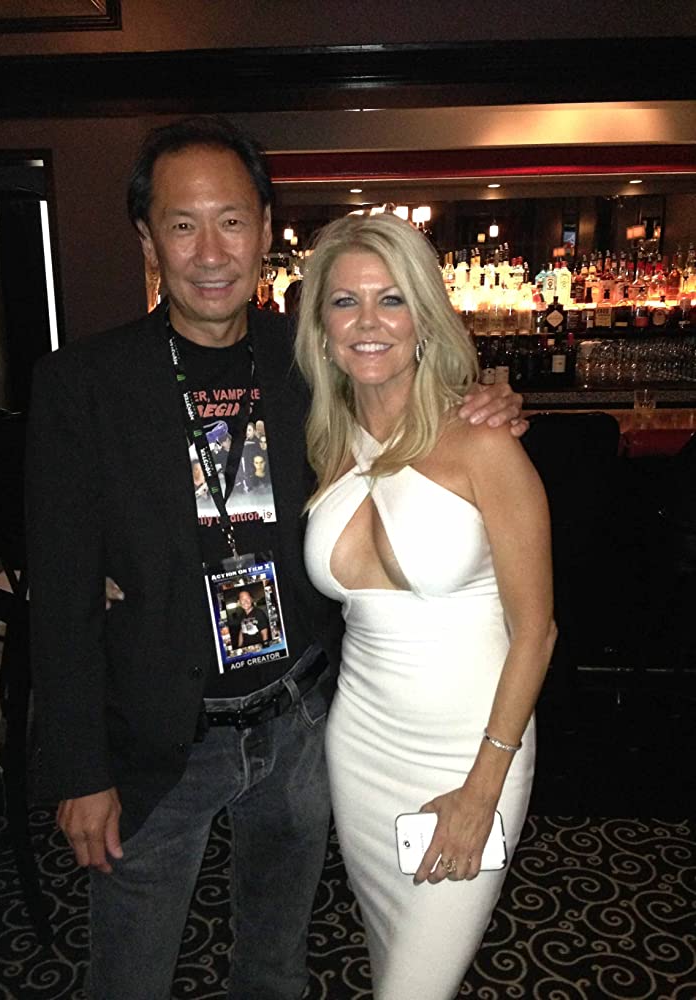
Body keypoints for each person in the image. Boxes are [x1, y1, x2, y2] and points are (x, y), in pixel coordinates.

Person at [26, 115, 526, 1000]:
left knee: (274, 967)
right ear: (148, 239)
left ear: (264, 229)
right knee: (129, 976)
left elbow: (417, 408)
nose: (210, 252)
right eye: (183, 225)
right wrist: (79, 769)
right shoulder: (85, 385)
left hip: (300, 726)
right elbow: (61, 598)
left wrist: (489, 399)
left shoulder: (312, 362)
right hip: (160, 739)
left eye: (231, 221)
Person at [296, 212, 556, 1000]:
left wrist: (483, 786)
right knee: (390, 954)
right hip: (361, 747)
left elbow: (537, 632)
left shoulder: (484, 444)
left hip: (472, 751)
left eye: (392, 300)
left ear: (424, 319)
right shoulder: (327, 443)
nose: (368, 322)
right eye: (345, 302)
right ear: (322, 329)